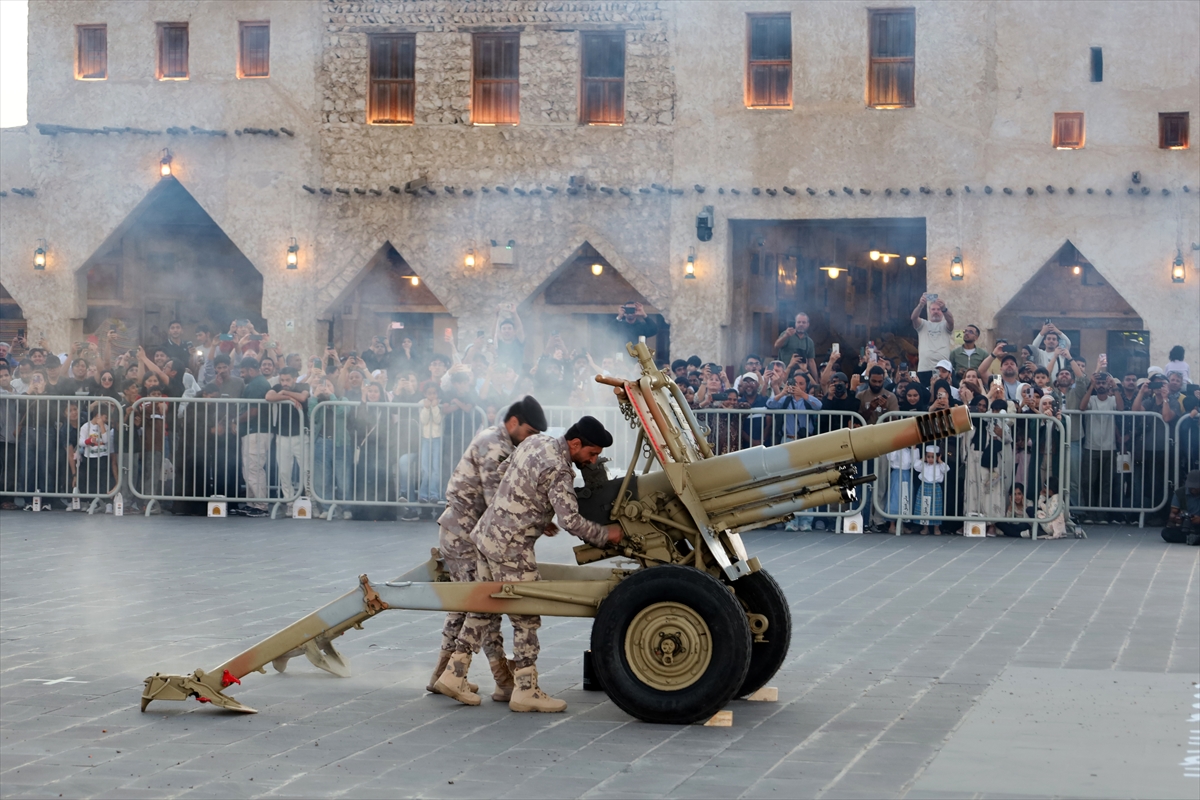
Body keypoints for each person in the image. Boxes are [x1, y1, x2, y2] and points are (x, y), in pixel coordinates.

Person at [439, 416, 623, 712]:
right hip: (511, 548)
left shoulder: (537, 442)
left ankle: (453, 674)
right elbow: (571, 521)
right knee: (527, 616)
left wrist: (532, 509)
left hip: (487, 536)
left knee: (484, 607)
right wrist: (607, 535)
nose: (593, 460)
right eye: (591, 454)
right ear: (575, 444)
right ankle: (525, 689)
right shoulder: (561, 469)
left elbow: (502, 472)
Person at [429, 396, 548, 703]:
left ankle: (450, 676)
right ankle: (482, 677)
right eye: (530, 432)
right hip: (464, 535)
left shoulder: (507, 445)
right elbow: (499, 500)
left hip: (476, 536)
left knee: (473, 605)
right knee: (477, 604)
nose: (532, 439)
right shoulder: (493, 445)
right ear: (513, 423)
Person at [266, 367, 309, 516]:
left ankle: (310, 502)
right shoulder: (277, 387)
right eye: (282, 380)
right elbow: (269, 396)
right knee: (284, 472)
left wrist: (285, 393)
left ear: (295, 378)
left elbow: (303, 397)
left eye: (287, 380)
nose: (284, 383)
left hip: (301, 436)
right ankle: (289, 502)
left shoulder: (303, 386)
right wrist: (288, 397)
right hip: (282, 436)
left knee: (307, 471)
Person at [237, 358, 273, 518]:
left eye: (243, 372)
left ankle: (261, 504)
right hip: (252, 431)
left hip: (257, 431)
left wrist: (235, 420)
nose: (242, 375)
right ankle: (252, 503)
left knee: (253, 467)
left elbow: (253, 411)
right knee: (249, 468)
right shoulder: (256, 384)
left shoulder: (257, 384)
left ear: (251, 370)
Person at [911, 293, 955, 383]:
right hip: (924, 368)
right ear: (929, 311)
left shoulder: (945, 325)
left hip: (943, 370)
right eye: (933, 309)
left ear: (942, 312)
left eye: (939, 309)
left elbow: (951, 321)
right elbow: (914, 318)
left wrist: (944, 308)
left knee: (942, 394)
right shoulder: (923, 324)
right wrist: (920, 305)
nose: (936, 311)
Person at [417, 381, 445, 511]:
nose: (432, 396)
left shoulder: (439, 404)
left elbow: (438, 420)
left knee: (435, 468)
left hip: (437, 439)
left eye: (434, 393)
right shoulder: (421, 404)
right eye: (429, 393)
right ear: (425, 394)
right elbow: (423, 420)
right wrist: (427, 408)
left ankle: (434, 494)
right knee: (425, 468)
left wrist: (434, 407)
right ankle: (423, 494)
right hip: (425, 439)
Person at [773, 312, 818, 384]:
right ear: (795, 323)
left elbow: (811, 361)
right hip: (784, 374)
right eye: (799, 322)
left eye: (804, 322)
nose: (801, 324)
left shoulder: (809, 341)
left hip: (801, 377)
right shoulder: (787, 334)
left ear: (808, 324)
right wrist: (786, 336)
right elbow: (776, 345)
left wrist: (816, 380)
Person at [914, 445, 949, 535]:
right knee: (924, 507)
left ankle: (936, 527)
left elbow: (946, 469)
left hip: (935, 488)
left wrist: (940, 461)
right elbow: (915, 466)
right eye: (928, 457)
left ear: (937, 457)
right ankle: (925, 527)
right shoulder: (924, 465)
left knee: (935, 508)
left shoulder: (939, 466)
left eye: (933, 457)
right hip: (924, 487)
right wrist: (923, 459)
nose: (930, 459)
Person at [1161, 471, 1200, 545]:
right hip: (1187, 526)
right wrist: (1176, 518)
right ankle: (1194, 538)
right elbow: (1173, 512)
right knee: (1166, 533)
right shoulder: (1180, 493)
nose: (1193, 488)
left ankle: (1194, 539)